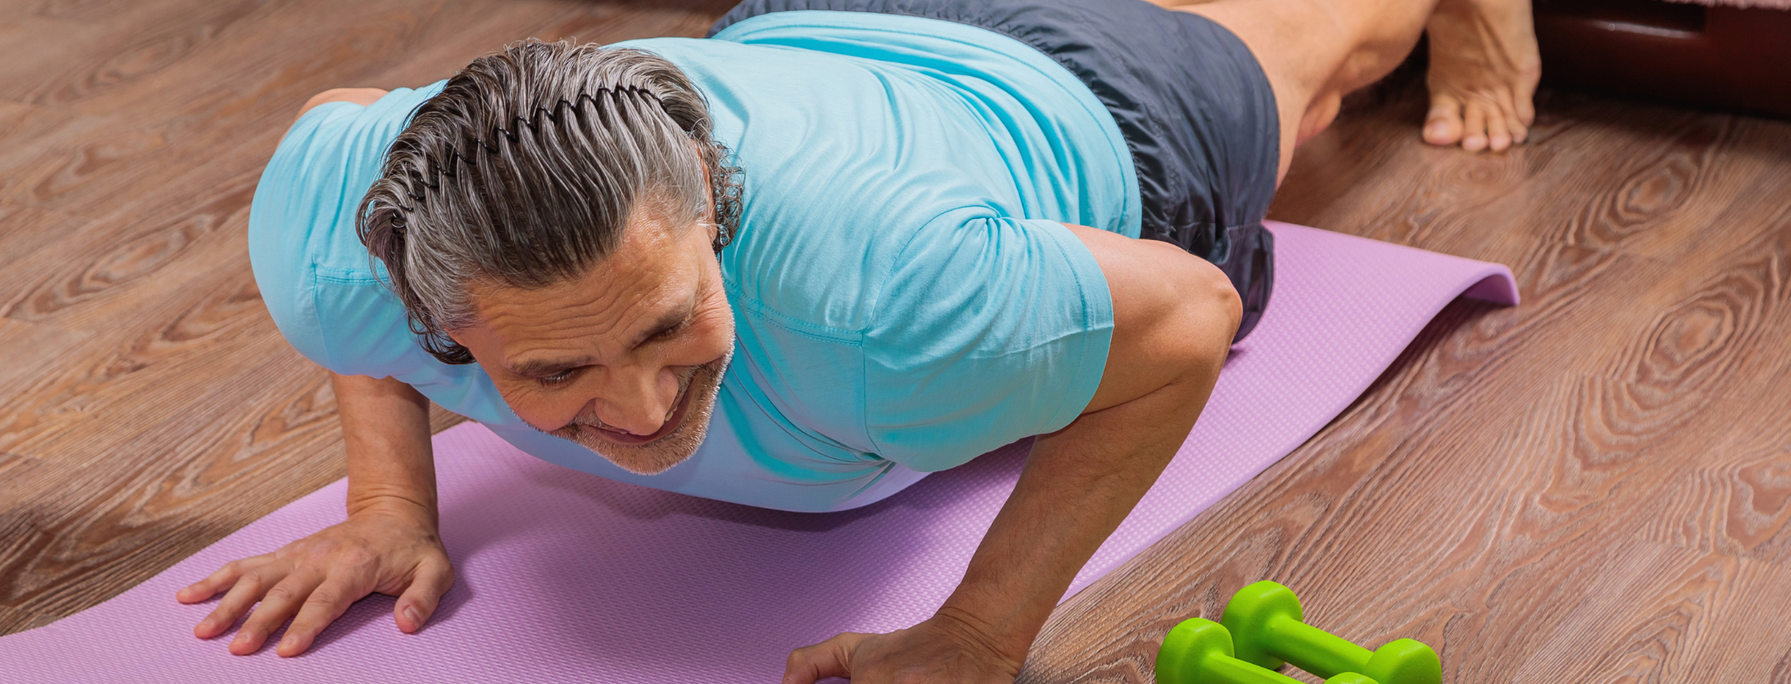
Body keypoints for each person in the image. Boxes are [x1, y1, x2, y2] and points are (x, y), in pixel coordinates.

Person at [178, 0, 1538, 680]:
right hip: (803, 36)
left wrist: (977, 638)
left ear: (715, 213)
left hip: (1088, 102)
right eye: (555, 370)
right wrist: (386, 502)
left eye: (668, 328)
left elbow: (1190, 319)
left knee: (1308, 84)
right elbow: (359, 117)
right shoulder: (335, 241)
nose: (645, 407)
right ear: (434, 318)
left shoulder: (888, 307)